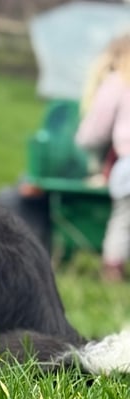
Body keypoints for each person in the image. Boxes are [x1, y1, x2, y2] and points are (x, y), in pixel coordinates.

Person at [75, 35, 130, 282]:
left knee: (124, 220)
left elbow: (95, 131)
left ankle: (112, 271)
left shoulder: (119, 81)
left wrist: (84, 142)